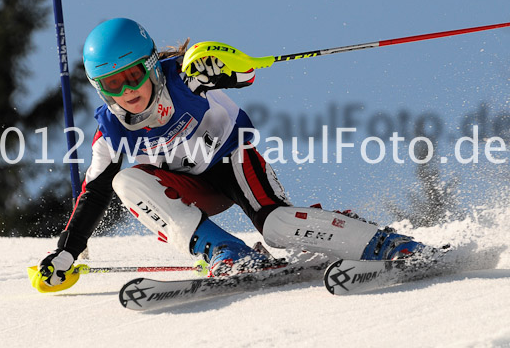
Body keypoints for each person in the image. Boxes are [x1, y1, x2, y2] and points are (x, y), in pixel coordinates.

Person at [35, 17, 427, 288]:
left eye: (133, 76)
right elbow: (94, 192)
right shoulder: (111, 129)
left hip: (233, 163)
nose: (127, 92)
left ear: (152, 64)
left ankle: (383, 243)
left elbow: (244, 74)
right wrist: (67, 252)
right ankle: (227, 252)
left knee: (277, 228)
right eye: (112, 84)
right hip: (188, 190)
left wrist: (217, 69)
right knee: (123, 179)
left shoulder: (185, 76)